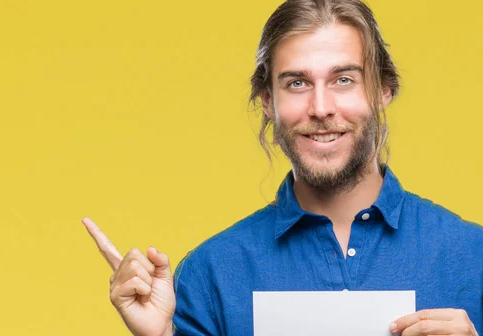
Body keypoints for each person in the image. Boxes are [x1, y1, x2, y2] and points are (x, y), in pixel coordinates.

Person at [83, 0, 483, 335]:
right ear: (268, 103)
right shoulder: (213, 274)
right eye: (296, 83)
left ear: (382, 91)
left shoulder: (473, 256)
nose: (321, 107)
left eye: (344, 79)